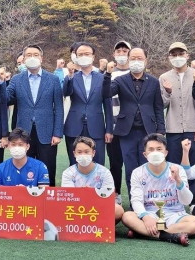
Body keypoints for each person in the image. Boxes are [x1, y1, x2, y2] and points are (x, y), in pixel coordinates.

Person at [103, 48, 166, 200]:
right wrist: (107, 75)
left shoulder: (153, 81)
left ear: (145, 61)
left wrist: (161, 130)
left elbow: (158, 107)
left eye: (139, 58)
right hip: (126, 131)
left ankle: (149, 200)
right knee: (131, 168)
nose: (136, 61)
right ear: (128, 60)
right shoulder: (120, 80)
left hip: (148, 131)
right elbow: (106, 93)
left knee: (148, 166)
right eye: (133, 58)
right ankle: (134, 202)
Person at [121, 134, 195, 247]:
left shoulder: (177, 169)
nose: (155, 152)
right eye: (151, 149)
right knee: (127, 216)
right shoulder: (137, 172)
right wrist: (146, 217)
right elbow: (136, 200)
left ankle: (144, 232)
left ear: (166, 153)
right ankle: (170, 236)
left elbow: (187, 201)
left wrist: (178, 180)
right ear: (145, 154)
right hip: (150, 214)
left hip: (175, 214)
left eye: (159, 149)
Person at [7, 44, 64, 187]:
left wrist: (57, 133)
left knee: (48, 167)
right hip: (24, 132)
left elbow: (58, 107)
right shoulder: (16, 79)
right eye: (29, 55)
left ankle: (48, 201)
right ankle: (26, 200)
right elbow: (6, 99)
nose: (32, 58)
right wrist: (3, 82)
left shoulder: (53, 79)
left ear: (42, 58)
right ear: (23, 59)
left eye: (35, 55)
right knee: (25, 167)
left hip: (47, 132)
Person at [159, 42, 195, 207]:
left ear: (187, 55)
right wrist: (168, 92)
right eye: (174, 54)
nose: (177, 57)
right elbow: (162, 105)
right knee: (173, 164)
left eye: (181, 54)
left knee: (193, 164)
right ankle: (173, 198)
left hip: (194, 129)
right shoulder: (164, 77)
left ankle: (194, 201)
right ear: (169, 57)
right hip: (172, 129)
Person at [63, 42, 113, 166]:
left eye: (87, 54)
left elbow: (108, 104)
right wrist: (69, 75)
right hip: (74, 126)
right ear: (76, 57)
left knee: (98, 162)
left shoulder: (102, 78)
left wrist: (109, 130)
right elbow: (66, 92)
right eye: (80, 54)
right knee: (75, 163)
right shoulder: (72, 77)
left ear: (93, 57)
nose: (84, 56)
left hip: (96, 125)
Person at [61, 136, 124, 224]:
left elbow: (109, 197)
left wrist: (93, 194)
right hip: (75, 209)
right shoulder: (68, 173)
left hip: (98, 208)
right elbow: (67, 198)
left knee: (118, 210)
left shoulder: (104, 172)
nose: (83, 155)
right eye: (79, 152)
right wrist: (81, 193)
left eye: (87, 152)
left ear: (93, 153)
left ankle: (94, 225)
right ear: (74, 153)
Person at [106, 40, 131, 205]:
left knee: (133, 164)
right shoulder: (108, 75)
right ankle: (116, 196)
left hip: (132, 127)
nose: (121, 54)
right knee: (115, 163)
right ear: (114, 54)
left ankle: (135, 197)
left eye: (125, 51)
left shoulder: (137, 73)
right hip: (113, 126)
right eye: (118, 51)